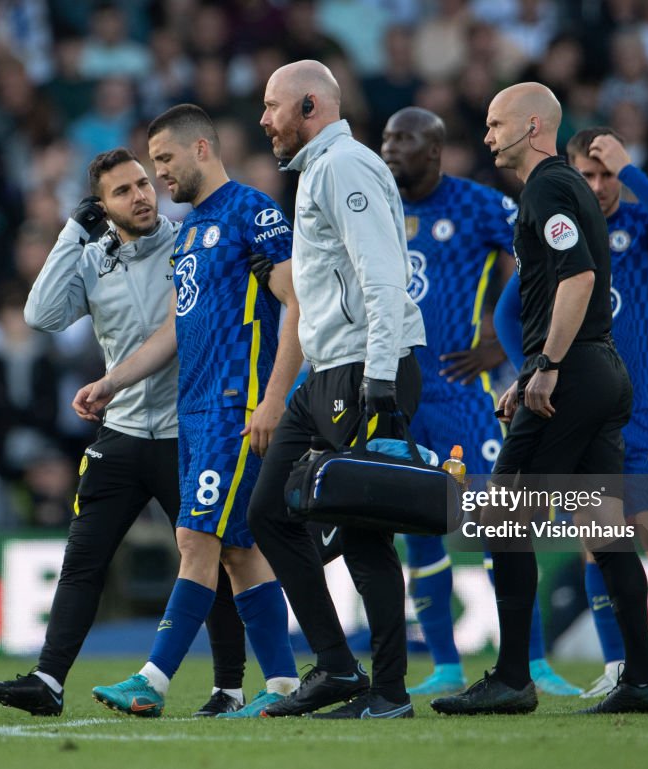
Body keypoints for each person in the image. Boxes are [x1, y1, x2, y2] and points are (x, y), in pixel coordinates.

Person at [0, 147, 248, 718]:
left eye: (144, 183)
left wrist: (109, 381)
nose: (142, 196)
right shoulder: (93, 259)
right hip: (121, 433)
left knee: (213, 558)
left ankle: (228, 688)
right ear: (101, 208)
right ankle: (48, 682)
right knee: (83, 561)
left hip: (187, 428)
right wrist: (72, 231)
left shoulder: (188, 241)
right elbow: (40, 315)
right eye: (123, 191)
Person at [431, 82, 648, 716]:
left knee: (501, 514)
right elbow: (568, 285)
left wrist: (547, 366)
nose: (485, 137)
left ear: (532, 126)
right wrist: (537, 363)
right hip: (597, 370)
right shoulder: (558, 188)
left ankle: (512, 678)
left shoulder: (547, 187)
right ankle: (643, 679)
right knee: (609, 530)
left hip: (578, 374)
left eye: (494, 124)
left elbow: (579, 276)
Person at [74, 105, 303, 719]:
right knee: (236, 551)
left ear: (201, 148)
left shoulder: (252, 212)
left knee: (194, 535)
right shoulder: (193, 229)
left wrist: (274, 398)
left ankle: (151, 680)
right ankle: (284, 684)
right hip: (195, 412)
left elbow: (298, 305)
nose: (159, 177)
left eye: (165, 162)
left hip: (236, 405)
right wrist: (111, 382)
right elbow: (175, 326)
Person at [379, 106, 580, 698]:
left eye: (404, 138)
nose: (391, 148)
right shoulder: (373, 207)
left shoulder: (477, 204)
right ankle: (444, 664)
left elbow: (545, 259)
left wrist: (501, 340)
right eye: (387, 137)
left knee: (503, 522)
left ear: (436, 150)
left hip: (461, 396)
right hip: (396, 394)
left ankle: (533, 662)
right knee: (416, 532)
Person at [250, 59, 425, 719]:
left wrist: (380, 371)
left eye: (273, 106)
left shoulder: (344, 167)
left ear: (310, 107)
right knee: (270, 510)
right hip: (327, 373)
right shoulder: (320, 170)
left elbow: (382, 274)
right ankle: (335, 665)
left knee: (362, 531)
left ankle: (389, 692)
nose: (263, 118)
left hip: (364, 369)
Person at [553, 127, 648, 699]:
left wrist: (633, 168)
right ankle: (617, 666)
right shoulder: (559, 237)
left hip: (644, 411)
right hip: (584, 417)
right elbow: (510, 312)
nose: (599, 186)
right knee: (596, 542)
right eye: (587, 175)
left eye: (607, 174)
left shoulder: (640, 228)